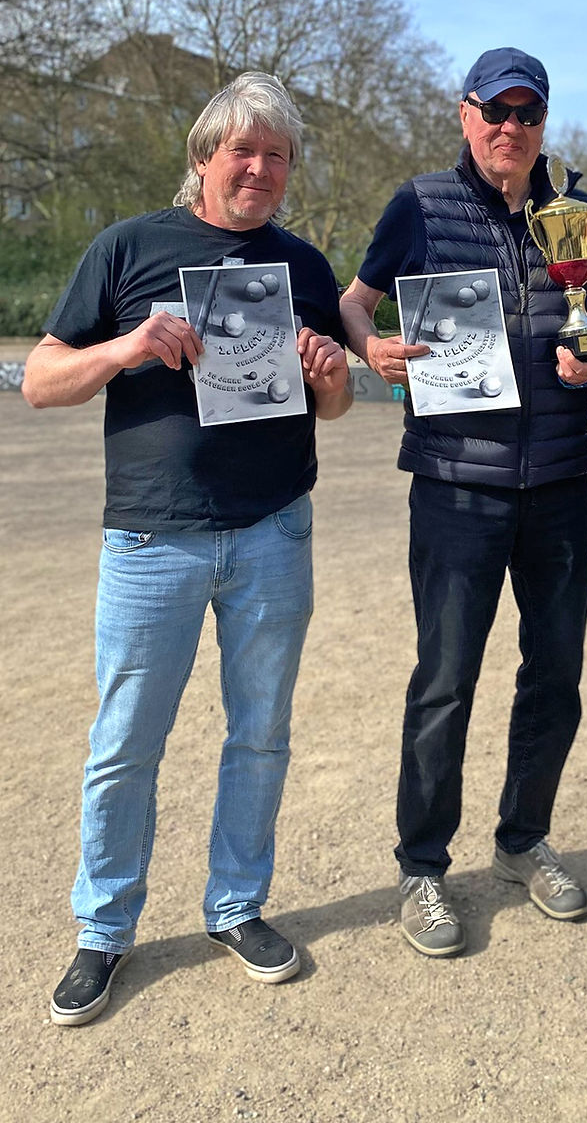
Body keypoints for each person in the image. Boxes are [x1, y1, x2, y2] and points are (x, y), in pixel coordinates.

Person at [23, 72, 352, 1025]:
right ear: (205, 157)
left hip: (274, 531)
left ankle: (237, 905)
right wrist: (126, 349)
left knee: (261, 733)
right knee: (125, 744)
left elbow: (332, 404)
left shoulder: (303, 264)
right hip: (150, 539)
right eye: (242, 151)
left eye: (276, 156)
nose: (259, 169)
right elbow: (41, 380)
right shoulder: (128, 247)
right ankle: (103, 929)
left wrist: (330, 371)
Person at [341, 47, 587, 956]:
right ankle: (423, 866)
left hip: (559, 482)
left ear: (544, 123)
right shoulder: (420, 205)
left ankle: (522, 839)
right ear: (466, 115)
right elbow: (355, 303)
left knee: (557, 675)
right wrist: (371, 349)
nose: (511, 128)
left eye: (527, 114)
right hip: (455, 486)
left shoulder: (575, 215)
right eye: (495, 112)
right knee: (446, 679)